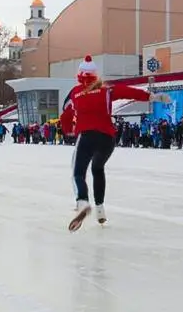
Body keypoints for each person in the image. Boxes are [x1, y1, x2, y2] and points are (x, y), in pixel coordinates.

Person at [59, 56, 167, 230]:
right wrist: (152, 97)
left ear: (79, 75)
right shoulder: (105, 89)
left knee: (78, 173)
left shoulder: (74, 92)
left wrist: (68, 130)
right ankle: (100, 209)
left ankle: (82, 202)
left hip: (87, 136)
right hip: (108, 138)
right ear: (95, 75)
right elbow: (128, 91)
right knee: (97, 168)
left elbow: (65, 113)